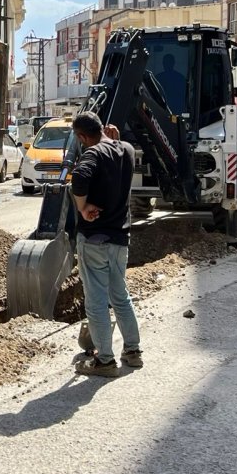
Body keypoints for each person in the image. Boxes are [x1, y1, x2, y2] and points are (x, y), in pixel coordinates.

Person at [68, 111, 142, 377]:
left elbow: (79, 179)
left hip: (94, 239)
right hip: (120, 238)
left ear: (81, 136)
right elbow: (117, 151)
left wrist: (83, 206)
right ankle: (133, 352)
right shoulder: (127, 150)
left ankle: (105, 361)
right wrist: (116, 141)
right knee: (120, 295)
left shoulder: (91, 154)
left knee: (96, 301)